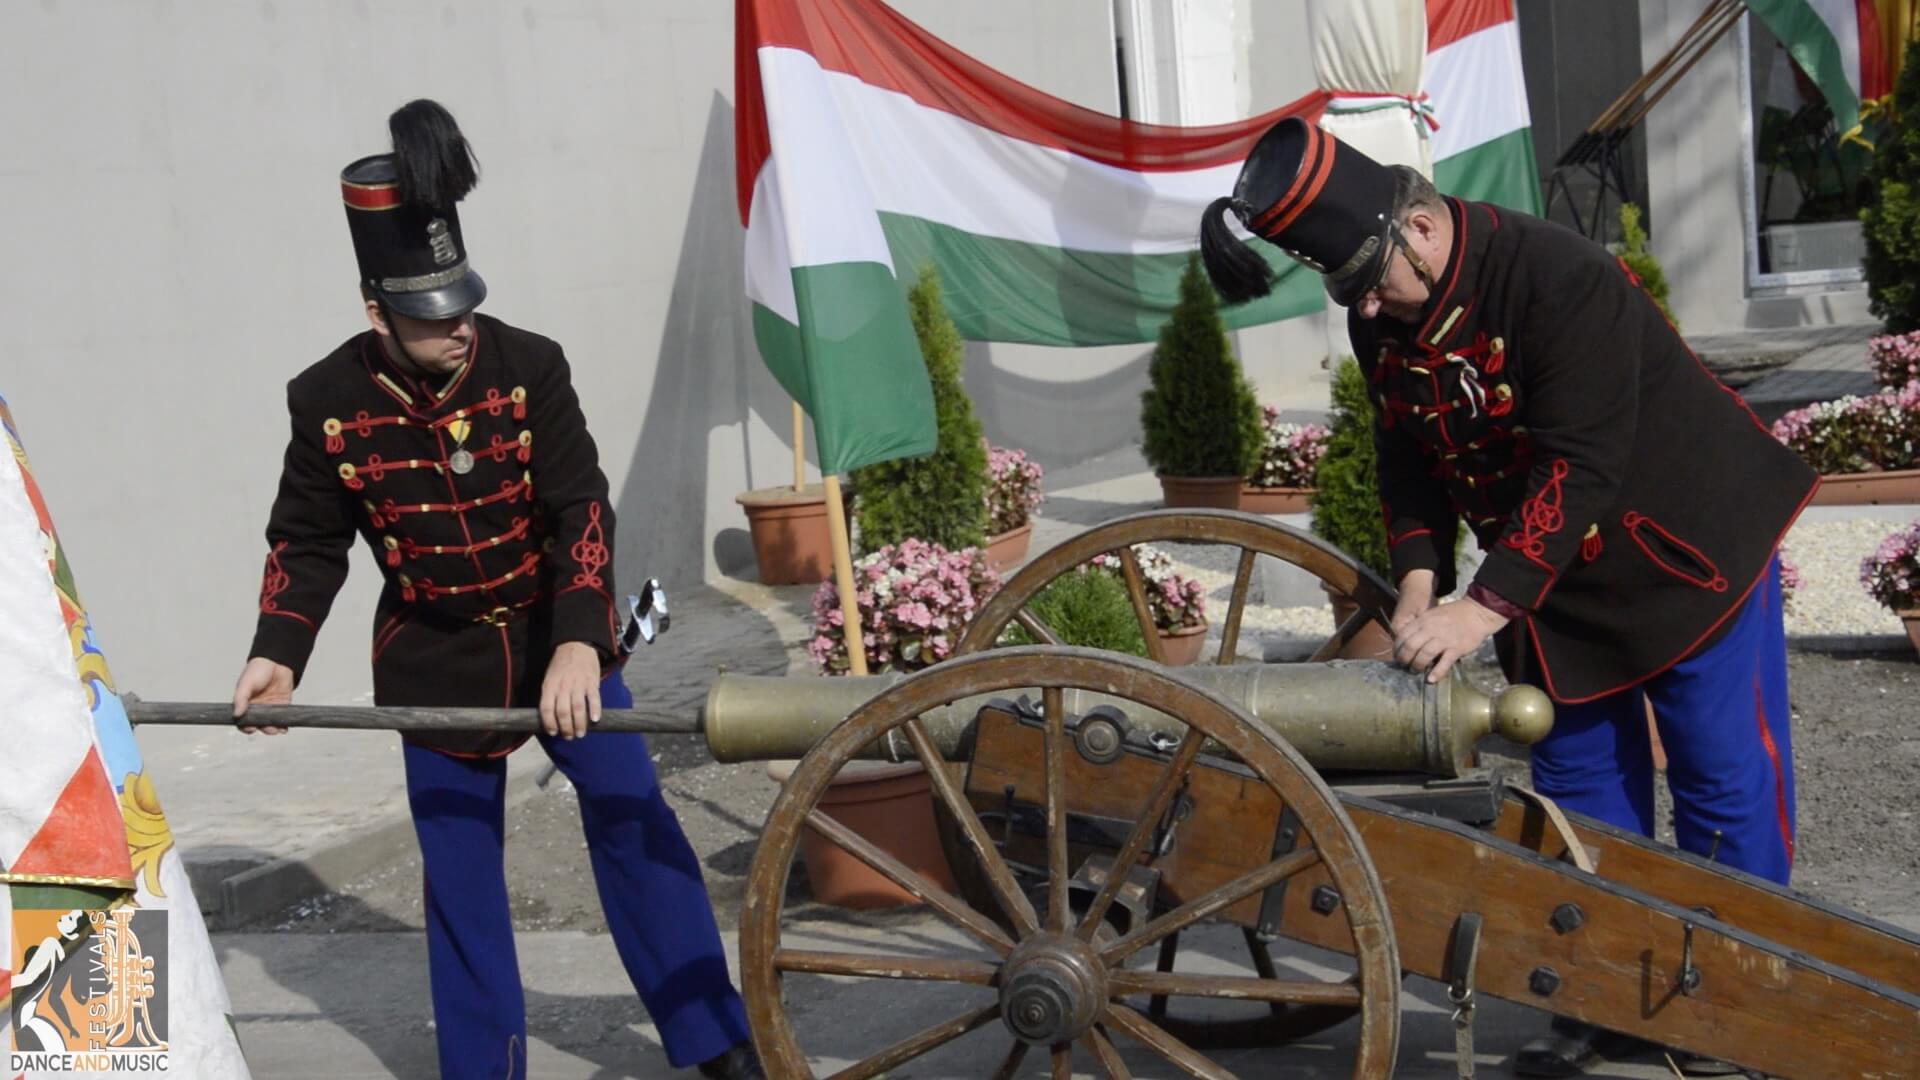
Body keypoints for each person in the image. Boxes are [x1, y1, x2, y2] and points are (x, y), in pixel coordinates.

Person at [1199, 118, 1812, 1077]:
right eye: (1347, 294)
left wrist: (1480, 609)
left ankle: (1736, 999)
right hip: (1549, 583)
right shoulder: (1384, 314)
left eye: (1369, 285)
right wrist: (1418, 584)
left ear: (1420, 230)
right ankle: (1617, 985)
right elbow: (1408, 451)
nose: (1364, 312)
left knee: (1721, 778)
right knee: (1580, 791)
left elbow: (1583, 462)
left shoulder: (1556, 277)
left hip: (1684, 554)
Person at [229, 99, 762, 1080]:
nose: (460, 328)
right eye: (434, 316)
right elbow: (306, 539)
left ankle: (717, 1040)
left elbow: (580, 511)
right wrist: (278, 650)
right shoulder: (328, 404)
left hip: (555, 632)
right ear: (376, 311)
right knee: (462, 880)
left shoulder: (529, 368)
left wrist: (580, 644)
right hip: (433, 653)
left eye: (465, 302)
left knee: (636, 819)